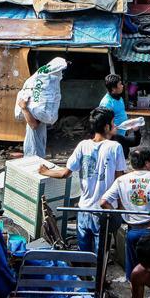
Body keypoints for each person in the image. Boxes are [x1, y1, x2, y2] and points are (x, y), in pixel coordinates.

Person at [39, 107, 126, 255]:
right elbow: (120, 181)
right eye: (113, 122)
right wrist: (122, 208)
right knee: (100, 256)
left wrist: (46, 172)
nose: (115, 125)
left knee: (83, 254)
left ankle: (84, 277)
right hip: (104, 211)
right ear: (106, 127)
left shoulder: (82, 145)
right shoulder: (115, 147)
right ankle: (99, 278)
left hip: (83, 209)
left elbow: (65, 173)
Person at [100, 147, 150, 281]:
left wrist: (120, 213)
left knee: (135, 276)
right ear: (148, 163)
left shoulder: (121, 180)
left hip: (133, 233)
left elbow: (103, 202)